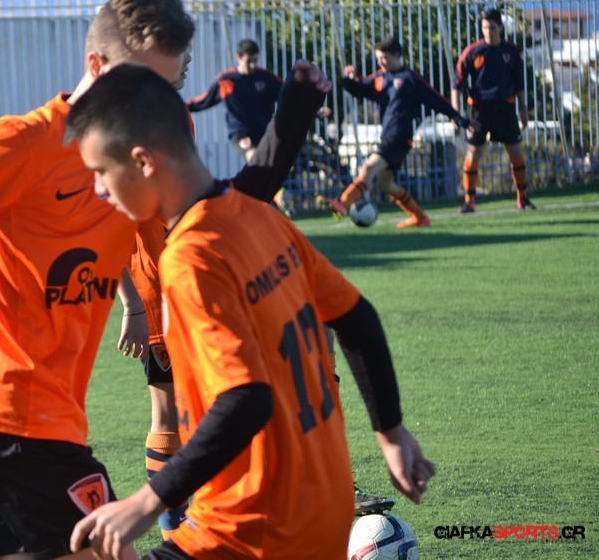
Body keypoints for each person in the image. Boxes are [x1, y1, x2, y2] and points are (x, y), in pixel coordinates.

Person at [0, 0, 322, 559]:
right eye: (141, 82)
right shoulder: (22, 143)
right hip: (9, 417)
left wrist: (292, 116)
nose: (153, 102)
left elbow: (221, 209)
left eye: (167, 87)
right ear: (97, 67)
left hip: (30, 424)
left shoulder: (145, 149)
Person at [65, 63, 436, 560]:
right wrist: (389, 431)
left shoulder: (189, 257)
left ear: (143, 162)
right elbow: (357, 319)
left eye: (100, 173)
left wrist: (147, 502)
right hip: (322, 513)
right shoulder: (263, 217)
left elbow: (245, 398)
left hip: (248, 527)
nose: (99, 191)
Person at [319, 36, 471, 228]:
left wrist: (458, 118)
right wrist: (349, 80)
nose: (381, 63)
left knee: (368, 168)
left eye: (384, 58)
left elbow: (435, 99)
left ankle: (343, 203)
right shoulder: (379, 78)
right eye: (378, 59)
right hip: (388, 136)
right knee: (385, 184)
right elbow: (360, 89)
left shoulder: (409, 78)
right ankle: (420, 217)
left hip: (399, 136)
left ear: (397, 55)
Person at [185, 38, 293, 216]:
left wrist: (315, 109)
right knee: (255, 158)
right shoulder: (226, 81)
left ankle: (266, 204)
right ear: (238, 57)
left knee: (268, 166)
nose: (252, 65)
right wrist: (181, 105)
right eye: (248, 61)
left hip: (265, 132)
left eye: (255, 61)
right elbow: (204, 100)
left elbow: (288, 96)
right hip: (241, 133)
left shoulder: (266, 79)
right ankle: (276, 195)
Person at [452, 8, 535, 212]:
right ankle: (469, 201)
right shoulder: (472, 51)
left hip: (505, 107)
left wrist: (523, 108)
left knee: (515, 151)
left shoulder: (511, 51)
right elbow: (457, 83)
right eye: (485, 28)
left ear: (500, 28)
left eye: (492, 28)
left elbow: (518, 82)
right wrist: (455, 112)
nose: (488, 31)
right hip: (478, 109)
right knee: (474, 152)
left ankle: (522, 198)